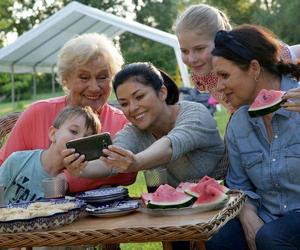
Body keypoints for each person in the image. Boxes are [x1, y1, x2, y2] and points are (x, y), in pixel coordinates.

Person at [0, 33, 136, 194]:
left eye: (103, 77)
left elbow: (127, 174)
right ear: (66, 79)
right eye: (84, 77)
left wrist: (66, 180)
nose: (94, 87)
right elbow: (5, 164)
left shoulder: (120, 122)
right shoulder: (38, 113)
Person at [205, 24, 300, 250]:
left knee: (272, 237)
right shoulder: (238, 124)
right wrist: (248, 216)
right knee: (219, 239)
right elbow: (239, 186)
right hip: (268, 219)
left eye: (224, 75)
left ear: (254, 68)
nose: (219, 86)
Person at [64, 62, 225, 188]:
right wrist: (81, 169)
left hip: (226, 205)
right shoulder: (135, 131)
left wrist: (136, 162)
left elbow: (170, 145)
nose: (132, 108)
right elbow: (110, 162)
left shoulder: (195, 113)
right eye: (124, 103)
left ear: (162, 92)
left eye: (139, 97)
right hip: (180, 215)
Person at [175, 4, 298, 113]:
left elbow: (293, 53)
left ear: (220, 39)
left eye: (200, 49)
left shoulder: (248, 53)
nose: (191, 59)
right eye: (184, 51)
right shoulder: (202, 75)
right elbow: (235, 109)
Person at [0, 106, 101, 205]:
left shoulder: (74, 177)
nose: (79, 139)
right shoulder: (18, 160)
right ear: (53, 134)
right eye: (73, 131)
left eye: (86, 138)